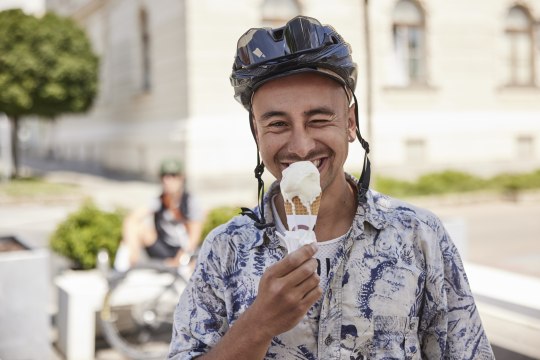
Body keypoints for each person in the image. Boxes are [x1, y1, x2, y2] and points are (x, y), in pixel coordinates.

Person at [168, 16, 494, 359]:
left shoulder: (417, 236)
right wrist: (257, 325)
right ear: (256, 132)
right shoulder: (226, 250)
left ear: (350, 123)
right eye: (278, 123)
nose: (302, 146)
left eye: (319, 119)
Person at [114, 158, 203, 271]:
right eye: (164, 176)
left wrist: (182, 257)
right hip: (164, 248)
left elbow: (194, 237)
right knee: (137, 228)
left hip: (183, 249)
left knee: (195, 264)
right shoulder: (158, 200)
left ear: (181, 178)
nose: (167, 180)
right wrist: (133, 249)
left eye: (172, 175)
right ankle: (121, 270)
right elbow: (131, 219)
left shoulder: (190, 202)